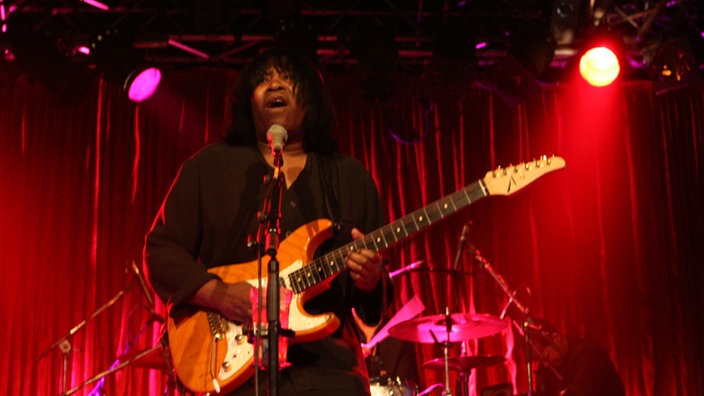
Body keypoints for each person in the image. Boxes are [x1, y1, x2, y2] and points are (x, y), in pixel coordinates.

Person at [143, 46, 392, 395]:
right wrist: (220, 294)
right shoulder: (208, 167)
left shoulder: (348, 176)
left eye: (288, 78)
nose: (274, 84)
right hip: (233, 369)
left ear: (311, 99)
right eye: (262, 80)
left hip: (329, 371)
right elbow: (161, 252)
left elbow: (370, 306)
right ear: (249, 101)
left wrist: (369, 281)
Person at [526, 318, 625, 396]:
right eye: (541, 361)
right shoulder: (551, 369)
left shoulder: (590, 356)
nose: (546, 365)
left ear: (556, 339)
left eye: (546, 357)